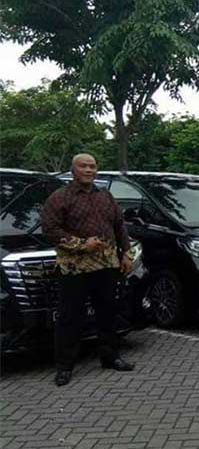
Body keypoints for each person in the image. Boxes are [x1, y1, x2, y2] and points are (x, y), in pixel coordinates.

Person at [42, 153, 135, 387]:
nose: (89, 170)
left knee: (107, 313)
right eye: (83, 166)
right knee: (70, 317)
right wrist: (82, 244)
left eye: (92, 166)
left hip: (107, 265)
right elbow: (50, 230)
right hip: (74, 267)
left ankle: (110, 357)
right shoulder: (59, 198)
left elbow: (119, 225)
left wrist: (126, 253)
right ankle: (64, 367)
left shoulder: (105, 195)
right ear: (73, 170)